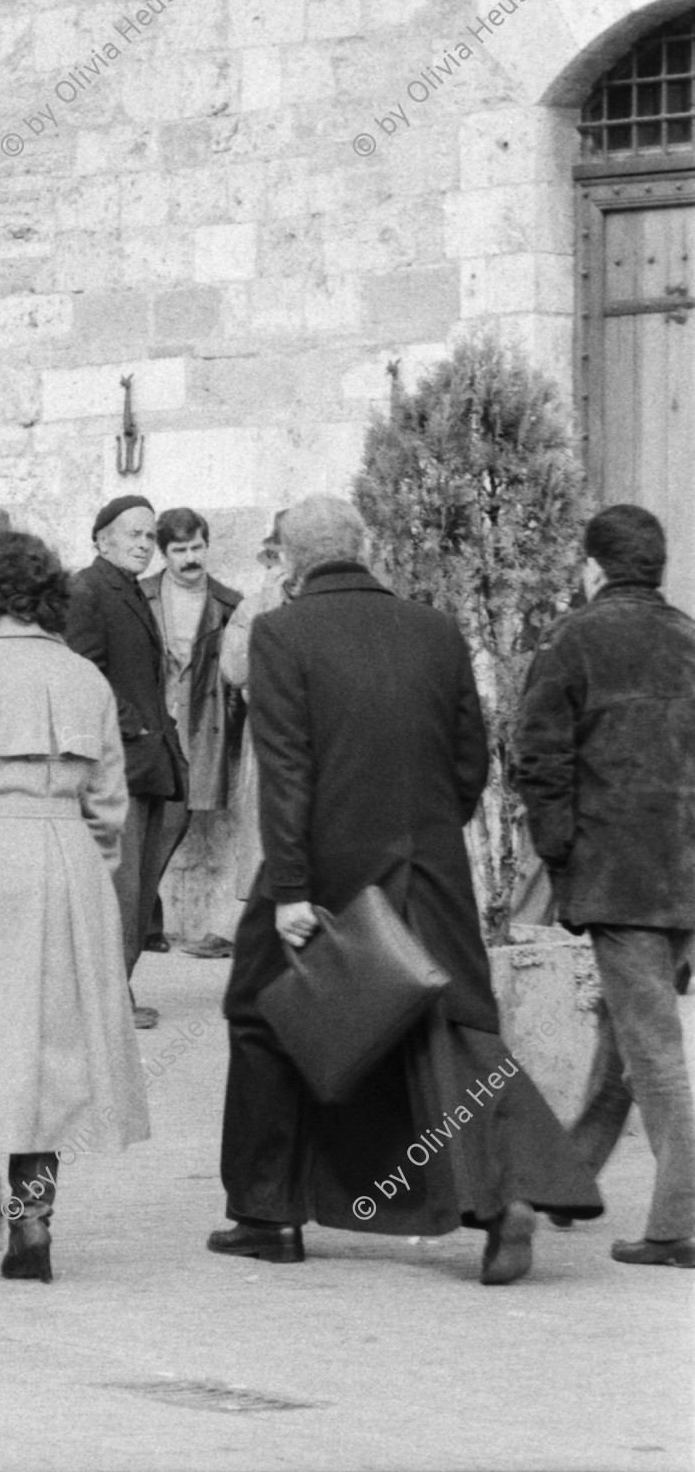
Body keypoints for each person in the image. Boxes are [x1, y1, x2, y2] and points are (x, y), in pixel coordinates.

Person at [210, 495, 602, 1284]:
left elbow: (286, 771)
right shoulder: (435, 630)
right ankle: (506, 1197)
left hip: (324, 873)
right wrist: (423, 829)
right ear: (365, 549)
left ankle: (267, 1214)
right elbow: (469, 764)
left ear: (290, 560)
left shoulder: (280, 634)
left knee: (262, 1017)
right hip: (430, 865)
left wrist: (288, 888)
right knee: (454, 1026)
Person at [0, 531, 149, 1282]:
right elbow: (111, 802)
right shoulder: (84, 678)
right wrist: (90, 864)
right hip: (67, 853)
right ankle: (31, 1223)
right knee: (54, 1044)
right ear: (50, 595)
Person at [514, 503, 695, 1269]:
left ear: (592, 566)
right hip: (683, 871)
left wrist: (558, 860)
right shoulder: (689, 639)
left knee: (651, 1047)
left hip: (619, 873)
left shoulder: (572, 640)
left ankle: (677, 1223)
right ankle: (567, 1179)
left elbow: (538, 757)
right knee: (621, 1033)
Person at [66, 495, 185, 1029]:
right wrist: (130, 725)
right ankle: (107, 999)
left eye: (148, 536)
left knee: (136, 888)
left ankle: (117, 990)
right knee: (122, 888)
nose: (143, 544)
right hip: (121, 763)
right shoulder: (88, 589)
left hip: (148, 761)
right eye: (133, 534)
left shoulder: (127, 590)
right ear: (102, 540)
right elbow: (83, 675)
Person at [141, 507, 242, 948]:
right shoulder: (138, 596)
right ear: (163, 553)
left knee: (176, 821)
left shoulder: (228, 603)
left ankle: (145, 922)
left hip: (204, 726)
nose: (189, 558)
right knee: (152, 824)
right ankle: (146, 923)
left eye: (196, 547)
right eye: (178, 550)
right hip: (149, 725)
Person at [219, 510, 291, 905]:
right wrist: (266, 609)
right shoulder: (253, 608)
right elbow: (233, 668)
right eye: (274, 559)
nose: (280, 570)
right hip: (267, 730)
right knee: (264, 832)